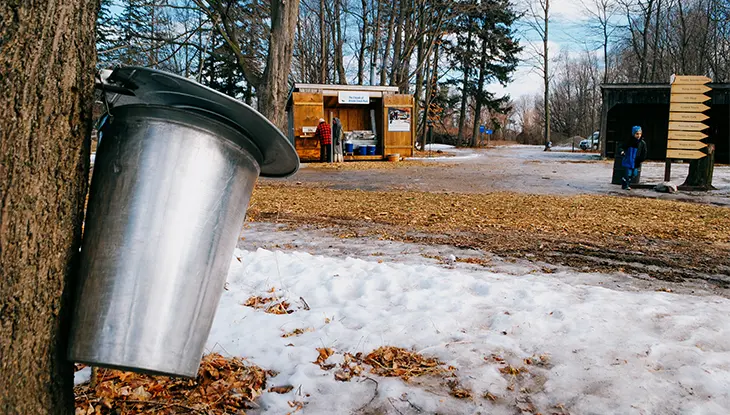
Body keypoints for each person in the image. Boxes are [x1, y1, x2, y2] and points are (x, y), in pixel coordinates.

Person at [619, 125, 648, 190]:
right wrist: (622, 151)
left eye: (640, 134)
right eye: (637, 134)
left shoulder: (642, 143)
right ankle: (626, 185)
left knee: (634, 174)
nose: (639, 135)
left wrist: (641, 159)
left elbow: (644, 152)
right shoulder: (629, 141)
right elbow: (622, 147)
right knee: (628, 173)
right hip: (628, 159)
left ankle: (625, 181)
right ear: (633, 134)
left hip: (636, 161)